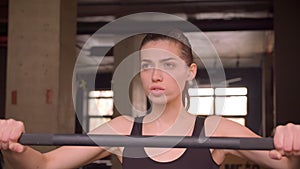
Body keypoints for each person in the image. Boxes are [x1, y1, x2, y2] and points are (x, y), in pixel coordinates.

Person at [0, 31, 300, 169]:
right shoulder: (121, 129)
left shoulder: (216, 129)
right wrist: (13, 146)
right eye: (146, 66)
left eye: (168, 65)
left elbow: (286, 166)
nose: (155, 75)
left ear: (190, 72)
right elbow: (43, 165)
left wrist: (291, 143)